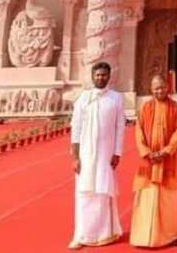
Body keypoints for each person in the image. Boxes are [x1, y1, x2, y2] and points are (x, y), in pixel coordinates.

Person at [70, 62, 125, 250]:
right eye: (98, 75)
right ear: (92, 76)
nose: (100, 78)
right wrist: (76, 157)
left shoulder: (116, 98)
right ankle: (81, 235)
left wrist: (117, 152)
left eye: (104, 75)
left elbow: (120, 127)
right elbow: (75, 129)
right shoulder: (83, 99)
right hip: (86, 155)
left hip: (105, 155)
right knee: (84, 194)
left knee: (102, 192)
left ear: (109, 77)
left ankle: (104, 233)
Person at [131, 75, 177, 248]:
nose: (159, 91)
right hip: (149, 160)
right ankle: (143, 236)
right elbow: (138, 133)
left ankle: (170, 236)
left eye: (162, 87)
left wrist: (166, 151)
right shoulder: (145, 107)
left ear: (167, 87)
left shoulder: (175, 107)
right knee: (146, 195)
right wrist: (146, 152)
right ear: (151, 89)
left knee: (168, 197)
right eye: (156, 88)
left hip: (168, 159)